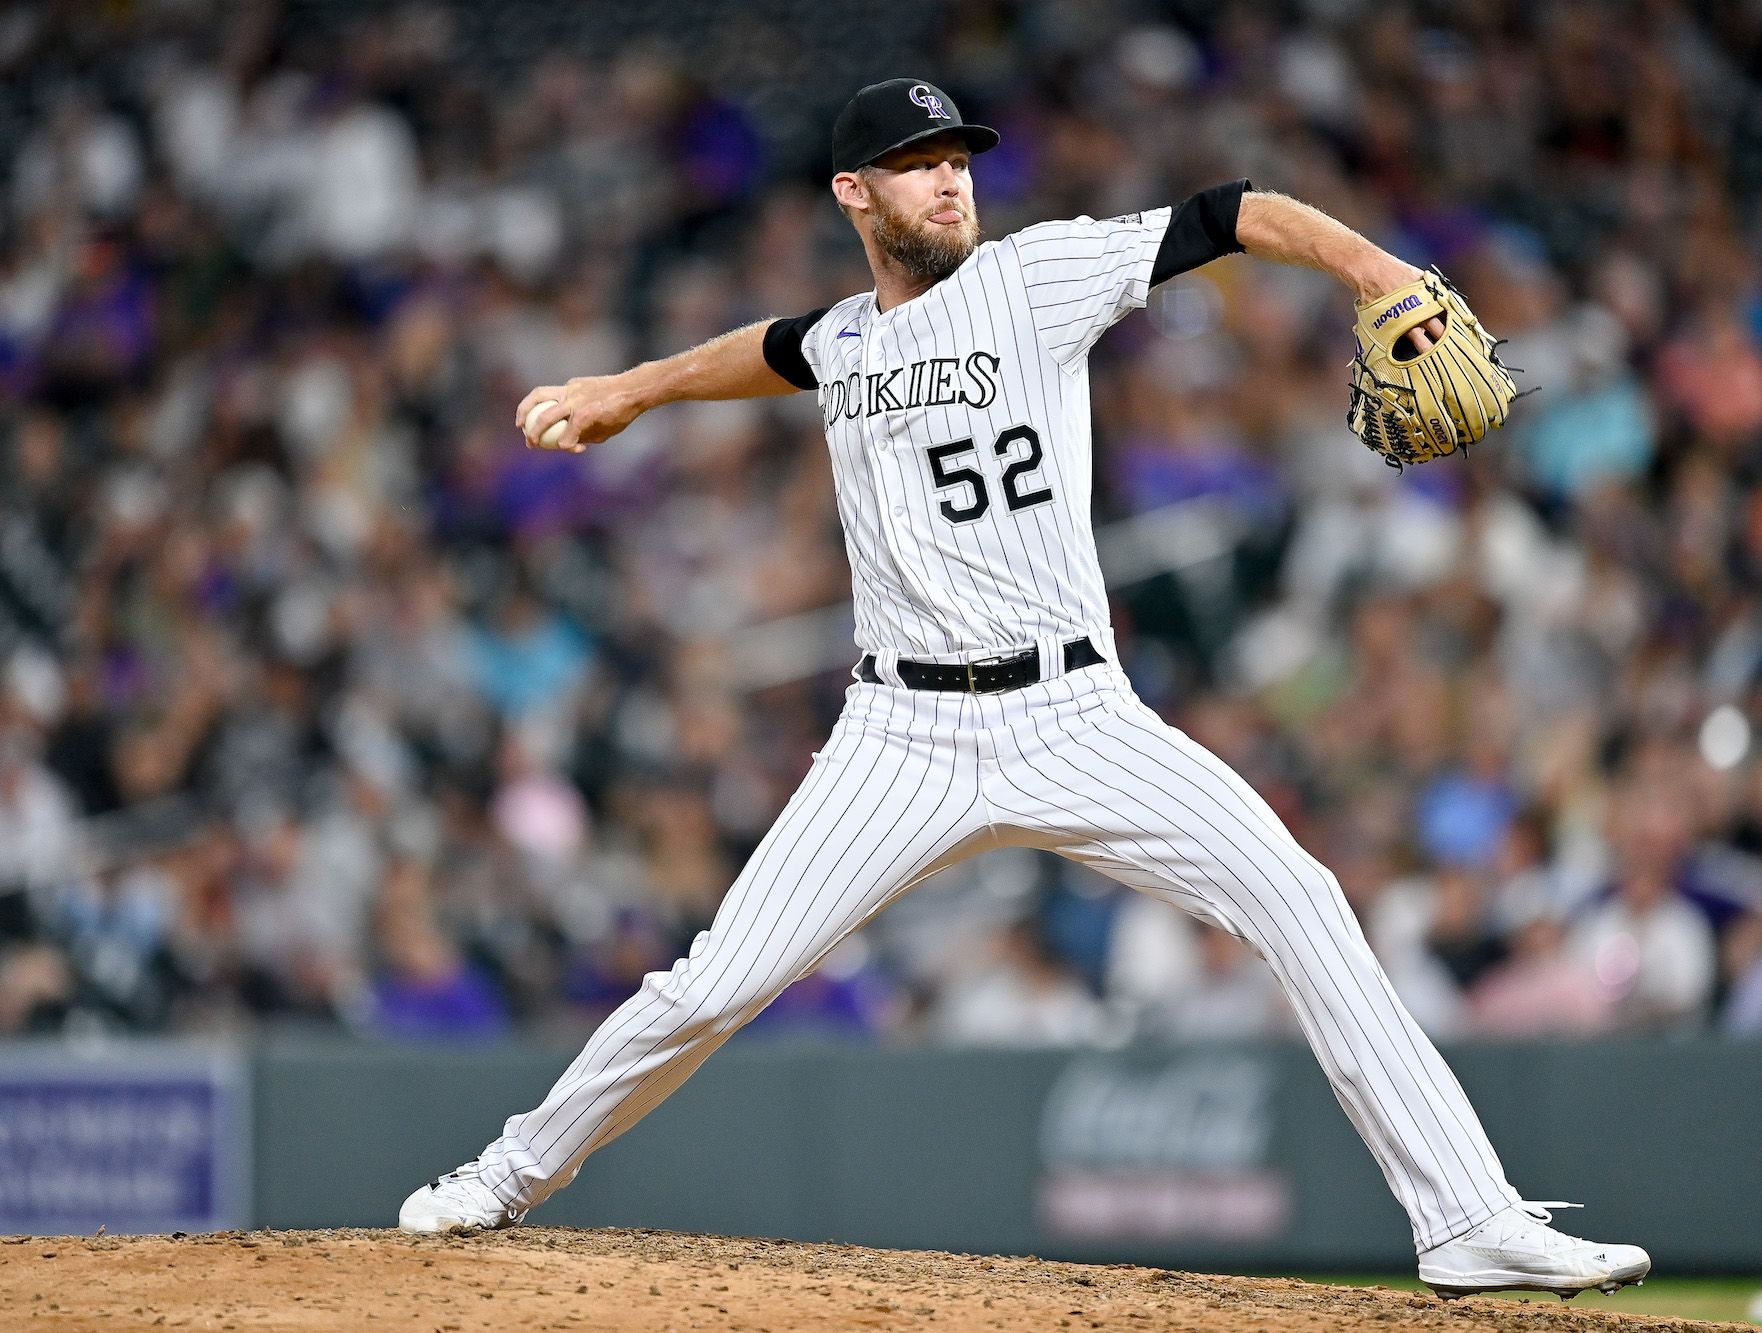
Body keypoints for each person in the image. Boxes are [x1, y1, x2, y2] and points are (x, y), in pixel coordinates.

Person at [398, 77, 1650, 1299]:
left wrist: (1372, 270)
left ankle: (1469, 1222)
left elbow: (1234, 212)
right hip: (902, 731)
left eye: (960, 160)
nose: (950, 180)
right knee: (714, 982)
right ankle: (507, 1172)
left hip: (1073, 716)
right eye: (919, 164)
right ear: (854, 191)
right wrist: (629, 389)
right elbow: (772, 351)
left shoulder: (1033, 275)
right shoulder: (844, 337)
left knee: (1302, 899)